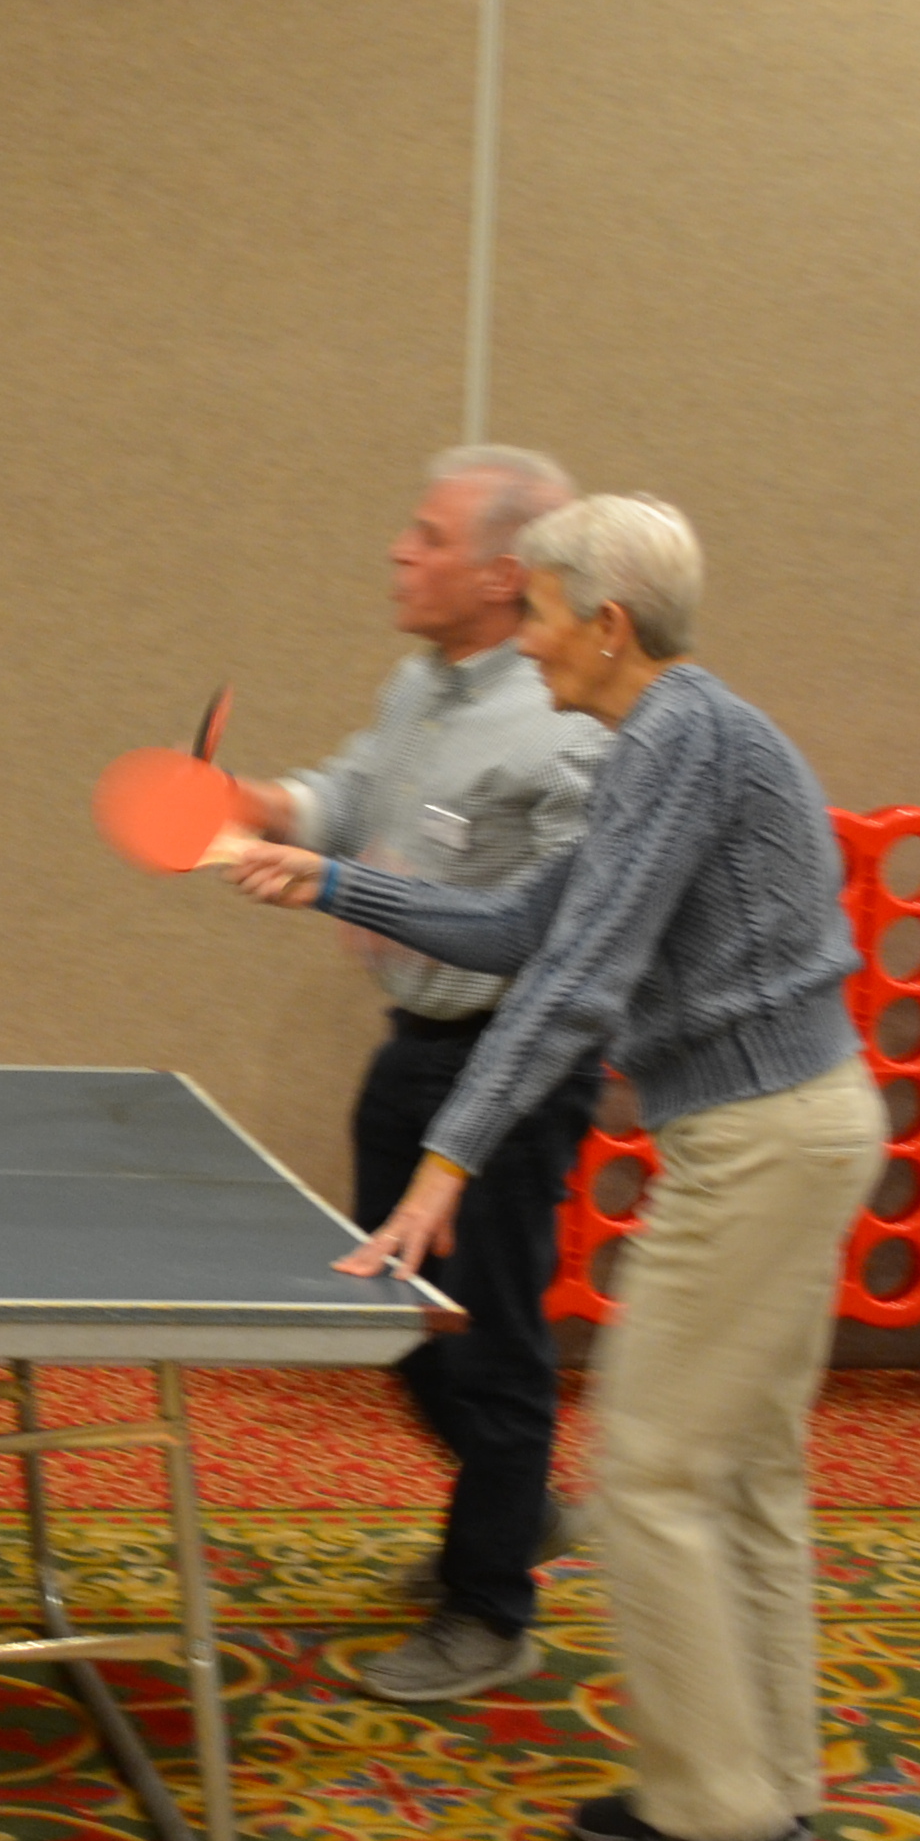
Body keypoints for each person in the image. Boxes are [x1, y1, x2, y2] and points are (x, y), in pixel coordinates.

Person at [218, 495, 873, 1841]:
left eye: (543, 613)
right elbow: (524, 926)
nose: (529, 637)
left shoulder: (682, 740)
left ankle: (720, 1822)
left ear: (606, 624)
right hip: (796, 1129)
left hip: (761, 1145)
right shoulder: (671, 745)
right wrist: (325, 878)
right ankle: (767, 1786)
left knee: (644, 1470)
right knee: (747, 1473)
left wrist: (446, 1165)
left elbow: (571, 986)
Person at [243, 447, 609, 1706]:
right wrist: (264, 802)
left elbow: (530, 924)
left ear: (505, 574)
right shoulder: (423, 682)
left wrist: (339, 884)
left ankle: (489, 1608)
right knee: (389, 1319)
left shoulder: (558, 729)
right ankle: (518, 1505)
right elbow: (352, 788)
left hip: (510, 1060)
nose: (401, 552)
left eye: (428, 535)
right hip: (412, 1049)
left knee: (497, 1339)